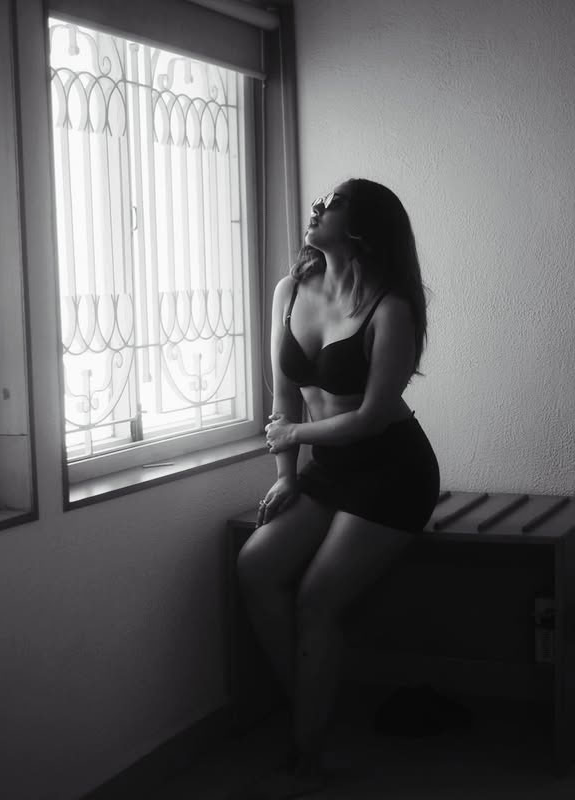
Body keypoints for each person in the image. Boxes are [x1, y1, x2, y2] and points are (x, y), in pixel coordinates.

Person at [235, 178, 440, 799]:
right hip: (328, 467)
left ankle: (308, 757)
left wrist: (293, 434)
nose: (317, 209)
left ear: (363, 229)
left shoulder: (391, 308)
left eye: (332, 204)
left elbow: (373, 417)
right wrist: (286, 476)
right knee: (256, 565)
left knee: (317, 599)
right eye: (319, 202)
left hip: (392, 470)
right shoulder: (290, 290)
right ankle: (315, 707)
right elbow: (283, 394)